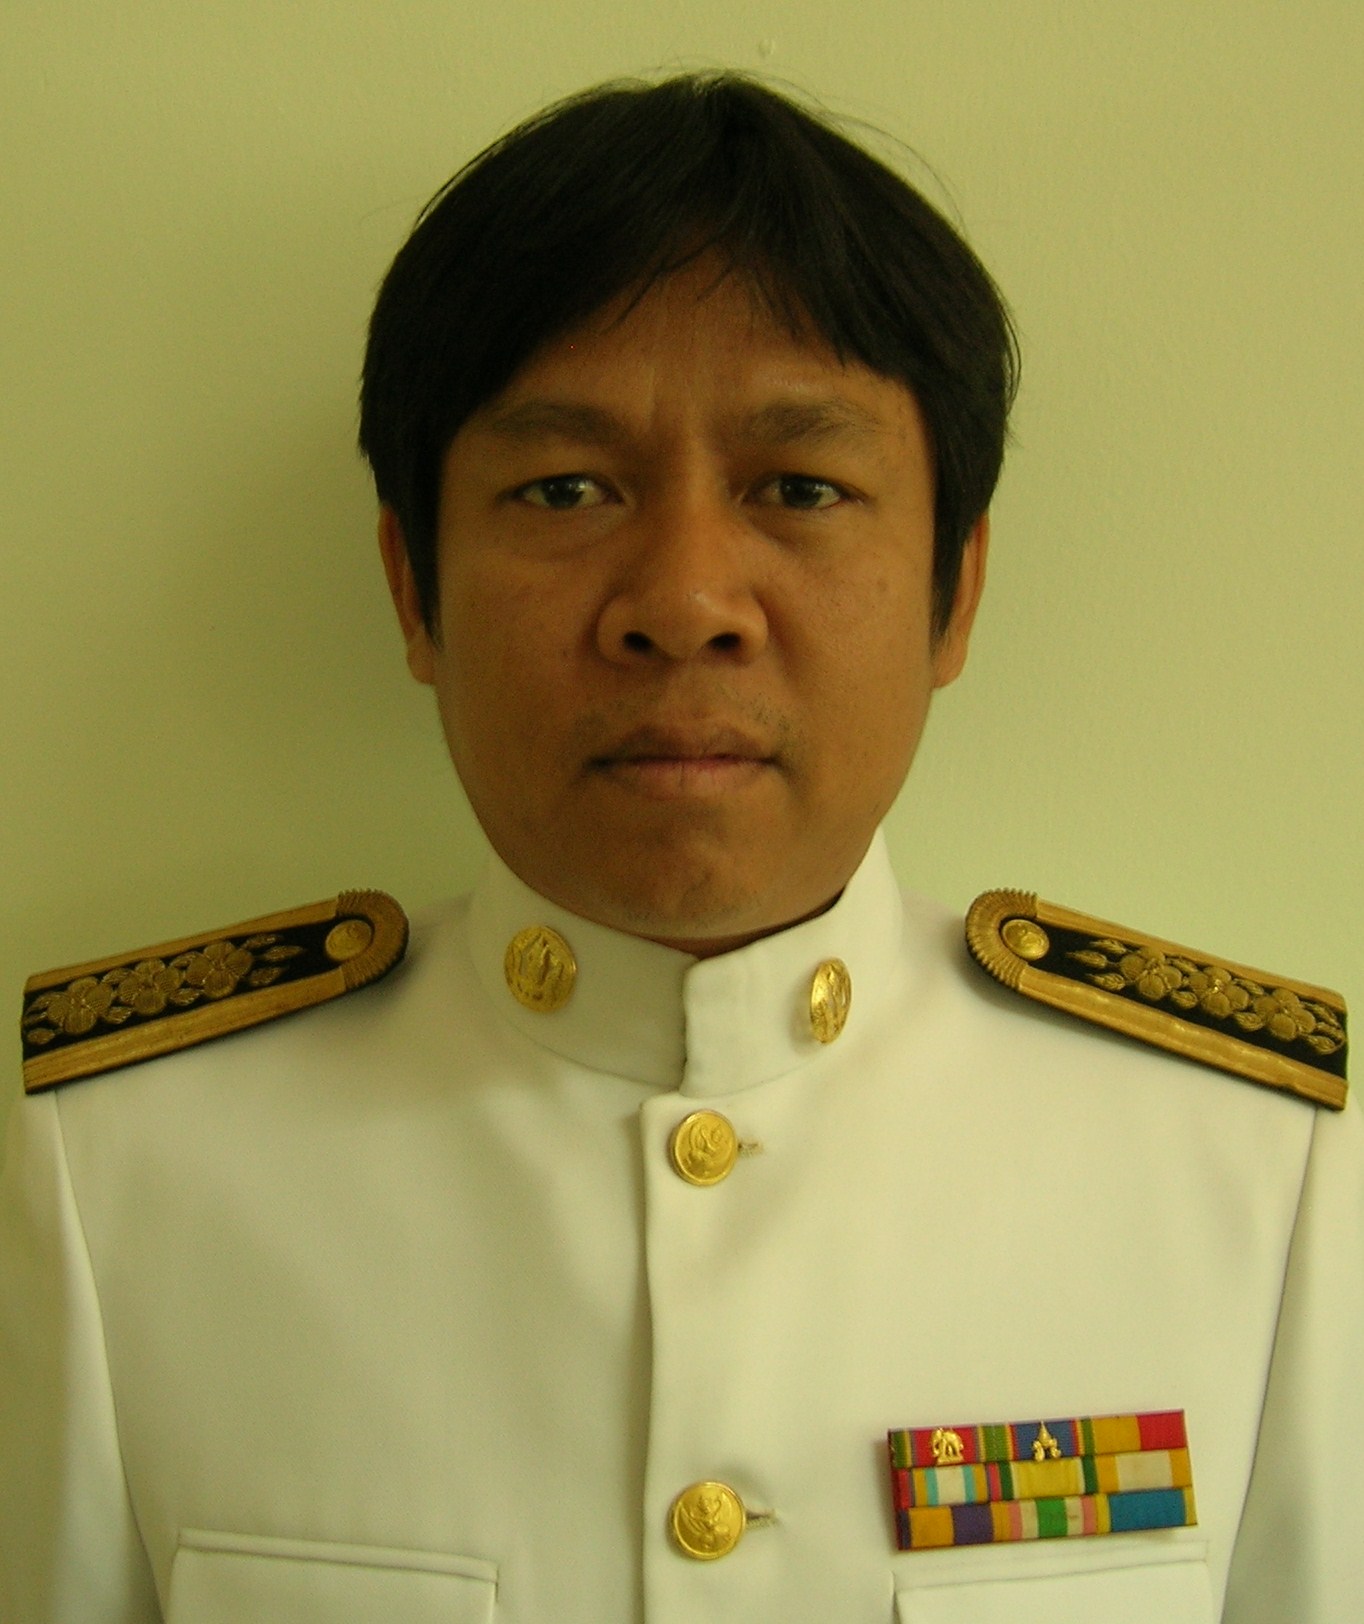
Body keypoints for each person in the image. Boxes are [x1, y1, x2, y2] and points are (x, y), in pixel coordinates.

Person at [1, 72, 1358, 1624]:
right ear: (413, 589)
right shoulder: (123, 1165)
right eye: (565, 488)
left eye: (802, 488)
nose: (686, 601)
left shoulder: (1250, 1171)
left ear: (956, 592)